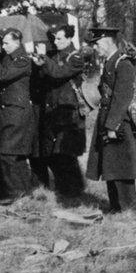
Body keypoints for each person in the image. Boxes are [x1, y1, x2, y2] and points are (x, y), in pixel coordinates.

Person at [85, 26, 136, 213]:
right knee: (110, 168)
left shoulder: (122, 64)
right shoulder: (111, 62)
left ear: (108, 41)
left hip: (119, 124)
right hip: (109, 121)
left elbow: (122, 97)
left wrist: (112, 125)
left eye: (98, 43)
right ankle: (116, 209)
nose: (95, 48)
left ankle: (129, 212)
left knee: (121, 170)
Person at [31, 24, 88, 199]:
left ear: (70, 38)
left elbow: (58, 73)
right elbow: (46, 78)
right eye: (54, 39)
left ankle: (74, 189)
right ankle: (65, 188)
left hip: (68, 112)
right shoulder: (54, 56)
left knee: (66, 152)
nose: (55, 42)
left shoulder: (76, 57)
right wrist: (39, 65)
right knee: (53, 153)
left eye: (60, 38)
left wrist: (44, 59)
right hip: (53, 111)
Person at [0, 28, 36, 204]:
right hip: (7, 112)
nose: (3, 46)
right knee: (15, 155)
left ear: (17, 42)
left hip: (16, 112)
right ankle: (23, 193)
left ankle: (14, 194)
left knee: (7, 154)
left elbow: (2, 75)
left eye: (6, 43)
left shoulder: (22, 60)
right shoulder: (8, 59)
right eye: (2, 43)